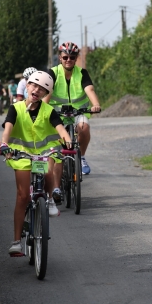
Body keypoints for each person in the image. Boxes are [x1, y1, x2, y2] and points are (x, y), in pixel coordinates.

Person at [0, 71, 72, 256]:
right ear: (27, 85)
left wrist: (67, 140)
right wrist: (4, 144)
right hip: (21, 156)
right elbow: (8, 127)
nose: (37, 90)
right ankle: (16, 242)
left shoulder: (49, 111)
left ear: (45, 94)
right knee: (22, 196)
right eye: (34, 86)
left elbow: (61, 129)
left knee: (48, 172)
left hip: (43, 154)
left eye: (42, 89)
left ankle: (48, 200)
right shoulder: (15, 108)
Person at [44, 41, 100, 202]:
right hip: (58, 113)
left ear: (76, 59)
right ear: (60, 58)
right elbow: (47, 94)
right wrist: (44, 110)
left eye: (72, 57)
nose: (69, 59)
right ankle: (56, 189)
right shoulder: (53, 73)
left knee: (83, 127)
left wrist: (95, 104)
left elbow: (89, 90)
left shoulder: (82, 73)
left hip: (78, 111)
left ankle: (80, 157)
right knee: (59, 151)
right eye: (65, 57)